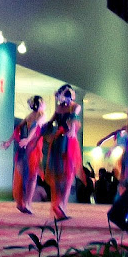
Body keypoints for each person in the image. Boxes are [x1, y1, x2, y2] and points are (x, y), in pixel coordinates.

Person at [44, 84, 84, 220]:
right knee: (67, 174)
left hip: (59, 140)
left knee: (63, 174)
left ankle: (60, 206)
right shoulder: (74, 106)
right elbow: (71, 119)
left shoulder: (63, 107)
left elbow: (52, 122)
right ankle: (61, 205)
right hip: (67, 141)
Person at [1, 95, 46, 214]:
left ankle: (21, 203)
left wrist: (9, 141)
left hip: (25, 147)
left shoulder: (29, 115)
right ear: (41, 104)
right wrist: (28, 139)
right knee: (32, 177)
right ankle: (27, 203)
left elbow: (18, 129)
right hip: (33, 147)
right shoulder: (41, 115)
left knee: (22, 174)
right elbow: (35, 127)